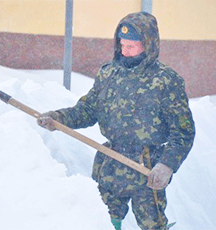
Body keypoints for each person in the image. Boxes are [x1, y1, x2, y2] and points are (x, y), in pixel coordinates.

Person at [37, 11, 195, 230]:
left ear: (148, 45)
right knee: (102, 222)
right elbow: (89, 109)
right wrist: (59, 118)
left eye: (131, 46)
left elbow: (183, 133)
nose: (125, 51)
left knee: (153, 226)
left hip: (147, 168)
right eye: (122, 45)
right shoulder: (109, 74)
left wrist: (167, 165)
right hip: (111, 164)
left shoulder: (166, 81)